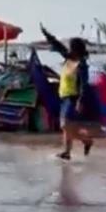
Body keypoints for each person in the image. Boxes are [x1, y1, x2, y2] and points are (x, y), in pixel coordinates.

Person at [40, 24, 94, 160]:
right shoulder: (68, 59)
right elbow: (57, 45)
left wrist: (80, 101)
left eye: (71, 47)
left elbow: (84, 85)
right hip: (63, 95)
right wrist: (47, 35)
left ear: (77, 50)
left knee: (65, 125)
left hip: (73, 97)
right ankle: (67, 152)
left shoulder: (81, 65)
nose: (69, 49)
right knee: (66, 126)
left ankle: (87, 140)